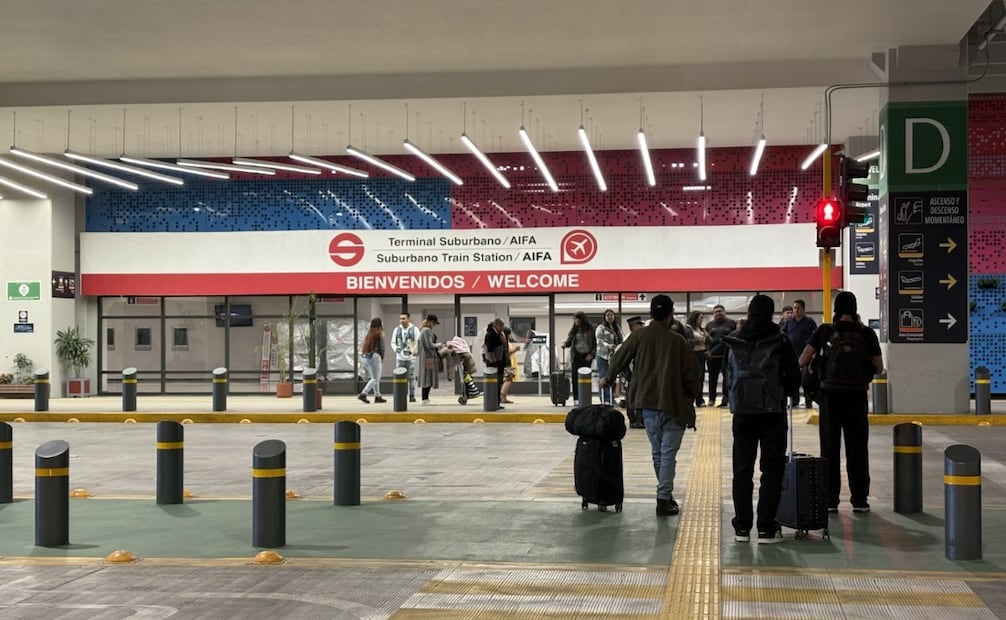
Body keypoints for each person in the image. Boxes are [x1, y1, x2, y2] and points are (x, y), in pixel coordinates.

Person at [600, 295, 700, 517]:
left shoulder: (639, 336)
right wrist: (692, 396)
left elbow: (619, 358)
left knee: (658, 452)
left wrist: (608, 378)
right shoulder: (677, 341)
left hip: (647, 402)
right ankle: (663, 498)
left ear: (651, 313)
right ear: (670, 314)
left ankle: (665, 494)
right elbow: (692, 373)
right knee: (668, 454)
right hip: (673, 403)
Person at [723, 295, 801, 544]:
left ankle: (742, 528)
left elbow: (728, 375)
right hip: (772, 413)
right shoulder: (780, 339)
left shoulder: (734, 339)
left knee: (742, 471)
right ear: (771, 313)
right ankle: (766, 528)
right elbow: (794, 377)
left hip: (742, 414)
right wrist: (786, 391)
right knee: (772, 471)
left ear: (749, 312)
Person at [799, 291, 883, 514]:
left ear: (836, 308)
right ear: (854, 309)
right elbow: (879, 367)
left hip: (830, 397)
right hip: (857, 397)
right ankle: (860, 500)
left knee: (829, 449)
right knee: (858, 449)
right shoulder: (866, 333)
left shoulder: (825, 330)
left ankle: (830, 500)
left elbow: (802, 359)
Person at [780, 299, 818, 408]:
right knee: (794, 378)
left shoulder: (809, 322)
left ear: (803, 309)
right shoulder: (789, 322)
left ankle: (808, 401)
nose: (796, 310)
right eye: (794, 308)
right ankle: (794, 401)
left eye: (798, 308)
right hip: (792, 355)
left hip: (806, 355)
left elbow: (815, 337)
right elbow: (782, 334)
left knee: (806, 379)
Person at [705, 304, 737, 408]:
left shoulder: (731, 323)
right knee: (712, 378)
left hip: (726, 356)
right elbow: (706, 339)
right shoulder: (709, 325)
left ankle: (725, 399)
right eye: (715, 312)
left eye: (720, 311)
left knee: (726, 379)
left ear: (724, 312)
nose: (718, 313)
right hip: (712, 356)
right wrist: (707, 351)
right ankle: (711, 399)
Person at [562, 312, 596, 405]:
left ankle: (585, 397)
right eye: (574, 319)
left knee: (586, 378)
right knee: (575, 377)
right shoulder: (574, 330)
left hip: (587, 356)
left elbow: (595, 344)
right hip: (576, 356)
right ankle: (576, 398)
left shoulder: (591, 330)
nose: (575, 321)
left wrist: (592, 354)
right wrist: (565, 344)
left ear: (582, 319)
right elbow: (569, 341)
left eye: (576, 319)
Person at [594, 309, 623, 405]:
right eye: (608, 315)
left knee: (612, 377)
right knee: (604, 376)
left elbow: (621, 339)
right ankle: (605, 398)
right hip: (603, 356)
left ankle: (611, 397)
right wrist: (608, 346)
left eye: (611, 315)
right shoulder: (601, 328)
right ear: (605, 317)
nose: (610, 317)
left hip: (613, 356)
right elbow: (599, 341)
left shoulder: (617, 328)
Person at [391, 312, 419, 403]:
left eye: (403, 318)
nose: (401, 321)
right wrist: (396, 349)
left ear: (408, 319)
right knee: (400, 378)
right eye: (400, 319)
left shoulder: (414, 329)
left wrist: (414, 351)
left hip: (410, 358)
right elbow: (393, 342)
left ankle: (412, 395)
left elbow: (417, 341)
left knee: (411, 377)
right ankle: (401, 395)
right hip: (399, 358)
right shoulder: (396, 330)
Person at [358, 318, 387, 404]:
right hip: (375, 356)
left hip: (366, 357)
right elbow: (382, 347)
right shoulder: (379, 333)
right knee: (375, 378)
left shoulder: (369, 334)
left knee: (374, 377)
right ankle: (363, 393)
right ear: (379, 324)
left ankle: (377, 396)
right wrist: (382, 357)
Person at [685, 311, 709, 407]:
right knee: (692, 377)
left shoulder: (701, 329)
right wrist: (696, 341)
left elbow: (710, 340)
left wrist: (707, 337)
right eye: (700, 318)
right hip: (692, 354)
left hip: (701, 354)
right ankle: (690, 398)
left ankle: (699, 399)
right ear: (695, 318)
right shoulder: (688, 329)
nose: (702, 320)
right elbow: (685, 341)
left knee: (701, 377)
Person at [482, 318, 507, 409]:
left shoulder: (500, 334)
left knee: (499, 383)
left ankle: (497, 402)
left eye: (503, 325)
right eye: (501, 325)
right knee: (495, 383)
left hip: (500, 362)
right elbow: (489, 351)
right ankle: (494, 402)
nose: (502, 327)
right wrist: (494, 363)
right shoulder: (491, 335)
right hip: (495, 363)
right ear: (495, 325)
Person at [417, 314, 440, 405]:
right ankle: (424, 399)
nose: (434, 325)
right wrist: (439, 344)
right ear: (431, 322)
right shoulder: (427, 331)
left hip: (426, 357)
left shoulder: (422, 330)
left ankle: (425, 398)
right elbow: (429, 345)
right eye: (434, 323)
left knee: (427, 376)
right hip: (428, 358)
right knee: (427, 377)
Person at [499, 326, 521, 404]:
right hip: (507, 363)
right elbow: (506, 353)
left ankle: (503, 397)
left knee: (506, 379)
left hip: (505, 363)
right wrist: (515, 349)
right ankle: (503, 396)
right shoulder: (504, 341)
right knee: (508, 379)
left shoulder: (503, 340)